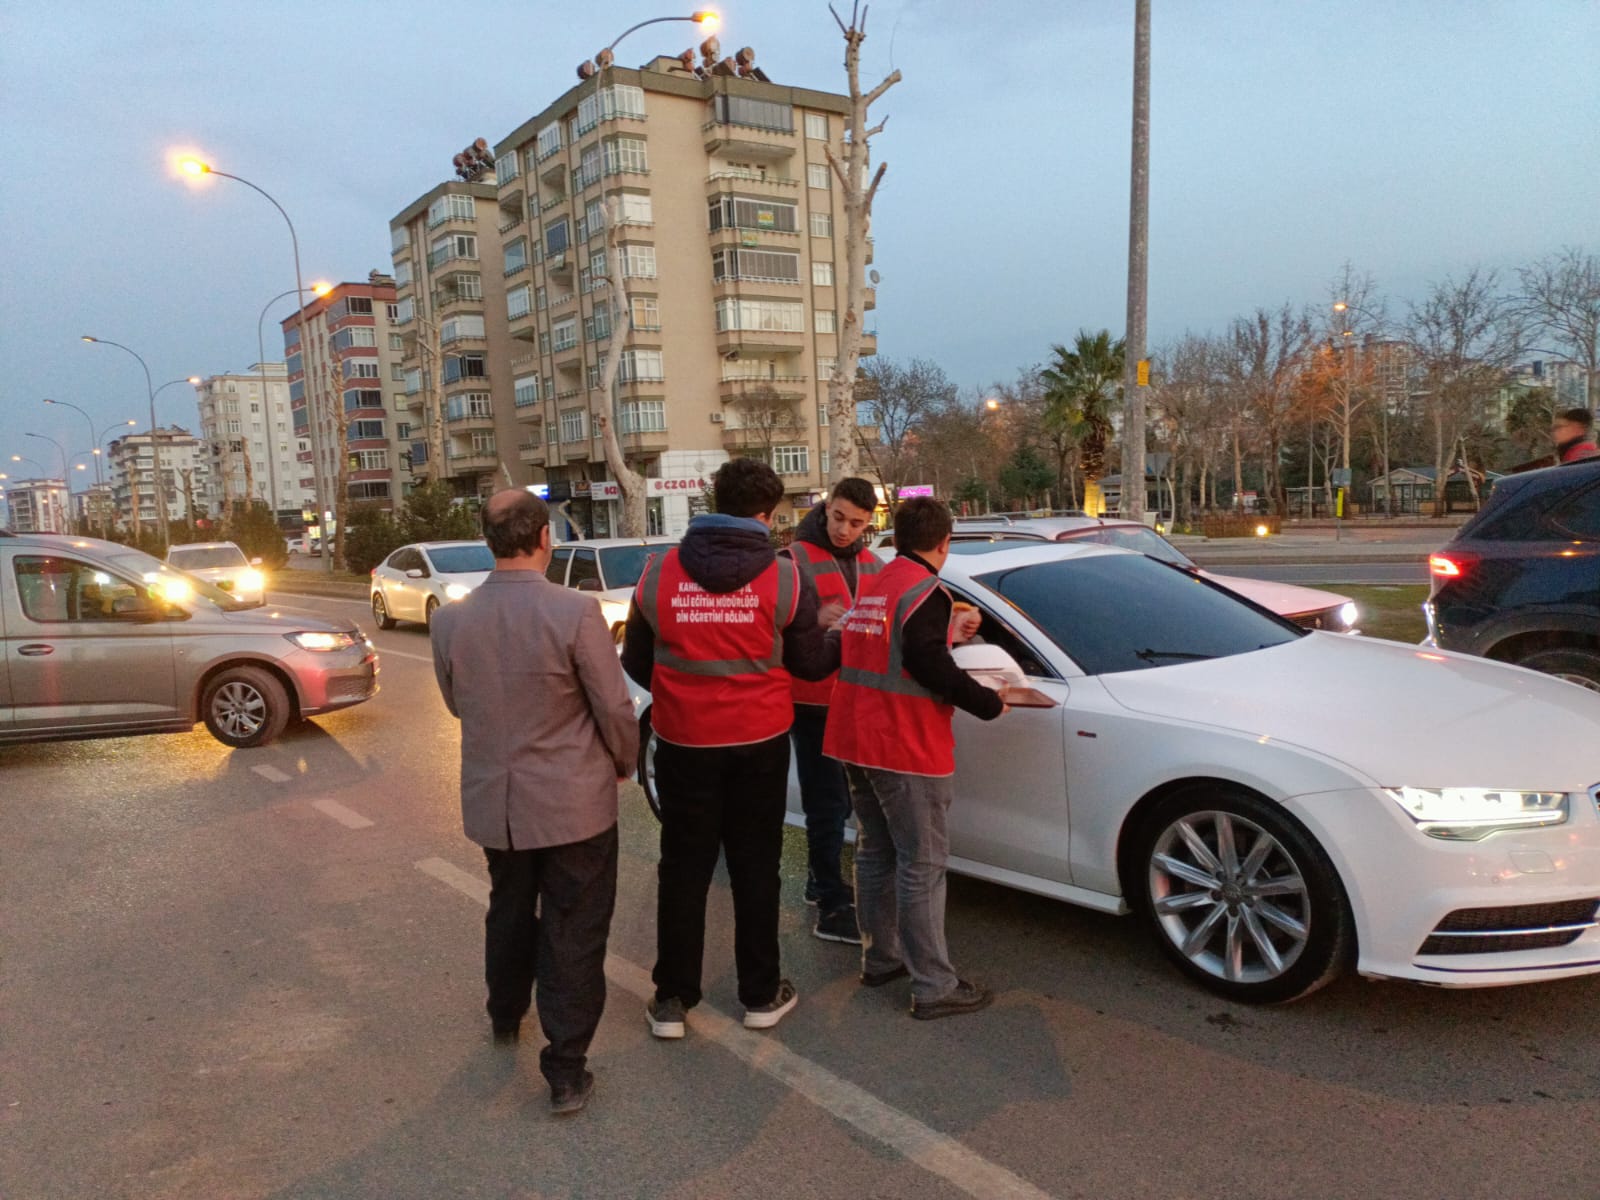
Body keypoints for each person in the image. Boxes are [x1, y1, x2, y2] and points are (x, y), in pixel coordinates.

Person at [431, 490, 638, 1117]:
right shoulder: (576, 612)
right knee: (575, 927)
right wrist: (623, 764)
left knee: (510, 906)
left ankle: (505, 1011)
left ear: (488, 541)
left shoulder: (449, 620)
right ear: (544, 537)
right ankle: (566, 1069)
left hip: (497, 803)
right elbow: (613, 707)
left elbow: (454, 702)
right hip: (576, 804)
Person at [621, 457, 838, 1039]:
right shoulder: (787, 577)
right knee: (755, 866)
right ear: (766, 515)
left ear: (713, 500)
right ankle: (761, 994)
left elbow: (635, 664)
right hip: (760, 744)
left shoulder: (659, 573)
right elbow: (810, 664)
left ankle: (671, 999)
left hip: (683, 743)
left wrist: (686, 691)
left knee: (684, 867)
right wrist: (839, 635)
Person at [824, 497, 1007, 1021]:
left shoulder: (879, 584)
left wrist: (949, 631)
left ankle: (881, 958)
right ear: (945, 542)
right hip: (901, 743)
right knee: (922, 863)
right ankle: (933, 985)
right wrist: (988, 703)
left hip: (854, 737)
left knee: (876, 852)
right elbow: (931, 666)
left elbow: (893, 648)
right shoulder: (926, 591)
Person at [779, 477, 883, 945]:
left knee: (843, 803)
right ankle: (829, 903)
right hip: (811, 701)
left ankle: (820, 884)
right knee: (828, 805)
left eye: (856, 522)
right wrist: (811, 621)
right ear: (825, 510)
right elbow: (771, 627)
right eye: (838, 517)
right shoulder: (792, 560)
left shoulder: (872, 562)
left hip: (855, 697)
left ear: (869, 523)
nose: (844, 529)